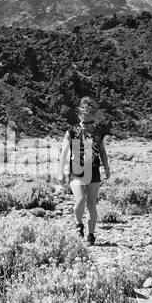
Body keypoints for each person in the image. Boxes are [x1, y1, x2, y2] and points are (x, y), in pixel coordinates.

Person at [58, 96, 111, 245]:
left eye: (90, 120)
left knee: (91, 204)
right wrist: (60, 172)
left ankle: (91, 235)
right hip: (77, 170)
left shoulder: (98, 132)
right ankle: (78, 224)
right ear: (79, 115)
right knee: (80, 200)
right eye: (84, 120)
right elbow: (64, 152)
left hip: (93, 169)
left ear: (94, 116)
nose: (87, 124)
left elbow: (102, 151)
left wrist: (106, 167)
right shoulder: (72, 132)